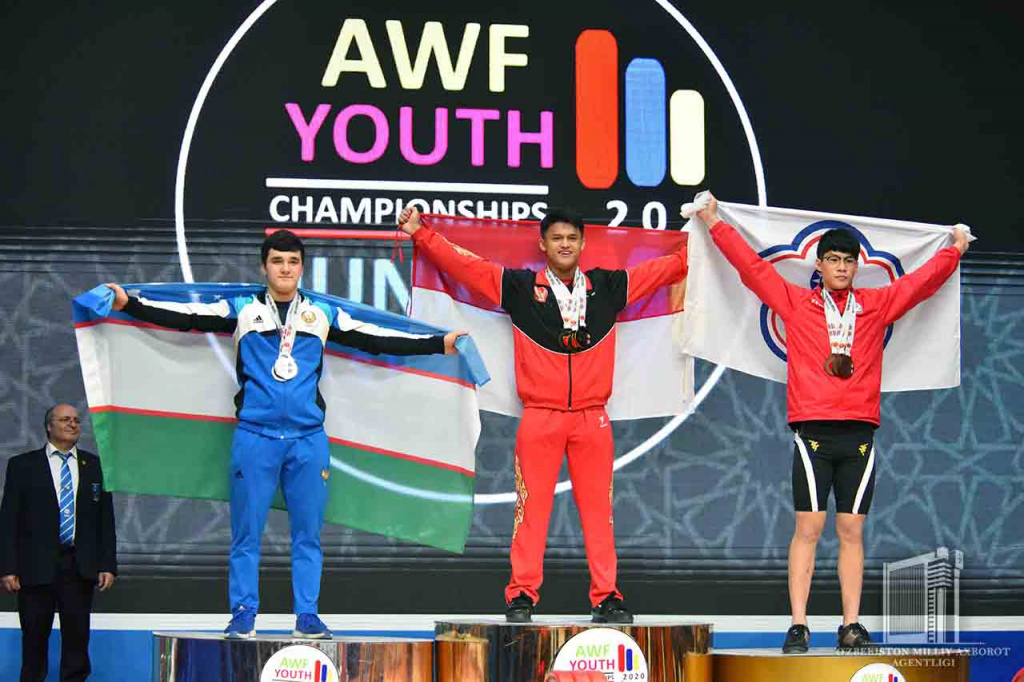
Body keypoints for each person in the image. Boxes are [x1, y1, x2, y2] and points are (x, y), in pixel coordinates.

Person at [104, 229, 465, 639]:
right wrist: (130, 303)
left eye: (293, 262)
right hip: (255, 437)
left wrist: (440, 342)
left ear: (302, 268)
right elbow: (187, 315)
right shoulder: (241, 308)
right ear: (264, 267)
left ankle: (307, 615)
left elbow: (378, 337)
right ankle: (243, 613)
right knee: (246, 534)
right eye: (277, 261)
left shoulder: (321, 313)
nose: (285, 269)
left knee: (308, 536)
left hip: (307, 440)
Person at [694, 193, 969, 652]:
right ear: (818, 265)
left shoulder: (876, 305)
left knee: (852, 531)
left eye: (848, 260)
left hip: (860, 435)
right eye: (834, 260)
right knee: (808, 528)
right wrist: (714, 222)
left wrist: (954, 249)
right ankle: (799, 624)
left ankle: (851, 624)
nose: (841, 267)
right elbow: (751, 269)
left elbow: (921, 284)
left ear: (858, 266)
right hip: (813, 435)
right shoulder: (795, 303)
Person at [398, 206, 688, 623]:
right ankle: (521, 596)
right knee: (530, 512)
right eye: (557, 238)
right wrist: (420, 234)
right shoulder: (519, 288)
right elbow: (467, 268)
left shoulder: (608, 287)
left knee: (599, 514)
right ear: (543, 244)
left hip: (592, 418)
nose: (565, 244)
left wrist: (703, 241)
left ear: (583, 243)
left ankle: (607, 597)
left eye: (572, 238)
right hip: (539, 417)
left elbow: (665, 270)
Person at [0, 404, 117, 682]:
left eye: (76, 420)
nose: (73, 424)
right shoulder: (22, 465)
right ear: (49, 426)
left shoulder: (94, 466)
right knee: (34, 639)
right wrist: (8, 567)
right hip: (34, 567)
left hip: (79, 566)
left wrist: (107, 564)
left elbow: (105, 520)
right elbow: (9, 520)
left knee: (77, 640)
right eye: (65, 419)